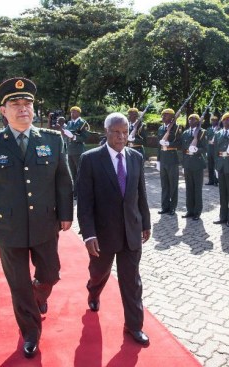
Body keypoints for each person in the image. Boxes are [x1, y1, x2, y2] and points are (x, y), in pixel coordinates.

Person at [0, 77, 73, 358]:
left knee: (50, 273)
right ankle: (30, 332)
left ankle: (40, 294)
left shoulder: (52, 139)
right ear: (3, 110)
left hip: (45, 222)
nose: (23, 108)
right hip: (9, 226)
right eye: (15, 104)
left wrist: (66, 214)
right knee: (18, 284)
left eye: (27, 103)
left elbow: (64, 181)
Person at [77, 112, 151, 346]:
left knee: (132, 281)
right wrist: (88, 234)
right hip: (102, 233)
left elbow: (141, 194)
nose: (121, 137)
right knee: (100, 272)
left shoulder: (136, 157)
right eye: (116, 132)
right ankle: (93, 291)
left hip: (131, 231)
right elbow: (85, 201)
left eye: (125, 132)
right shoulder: (90, 159)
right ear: (106, 132)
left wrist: (146, 223)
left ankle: (133, 326)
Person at [180, 114, 207, 220]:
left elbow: (205, 148)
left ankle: (197, 211)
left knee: (197, 189)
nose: (191, 120)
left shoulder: (202, 132)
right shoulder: (186, 133)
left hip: (197, 164)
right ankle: (189, 210)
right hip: (187, 163)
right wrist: (183, 164)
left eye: (194, 119)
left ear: (198, 121)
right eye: (189, 119)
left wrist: (197, 150)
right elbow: (183, 149)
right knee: (189, 188)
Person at [157, 108, 182, 215]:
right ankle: (164, 206)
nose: (163, 117)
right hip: (163, 158)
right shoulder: (161, 128)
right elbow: (159, 146)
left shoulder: (177, 129)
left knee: (173, 185)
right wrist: (158, 160)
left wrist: (169, 144)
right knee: (164, 185)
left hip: (172, 159)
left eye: (166, 115)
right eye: (163, 115)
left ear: (172, 118)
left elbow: (180, 144)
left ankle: (172, 207)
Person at [64, 106, 90, 197]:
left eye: (74, 112)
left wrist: (74, 137)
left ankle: (81, 192)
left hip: (78, 150)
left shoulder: (83, 123)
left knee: (80, 173)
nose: (72, 114)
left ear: (79, 113)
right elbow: (66, 136)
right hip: (70, 151)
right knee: (72, 173)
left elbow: (86, 137)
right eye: (71, 112)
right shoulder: (70, 123)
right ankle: (75, 192)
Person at [205, 115, 220, 186]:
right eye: (212, 120)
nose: (213, 122)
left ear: (217, 121)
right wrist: (209, 141)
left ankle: (216, 180)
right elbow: (205, 139)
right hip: (209, 149)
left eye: (215, 121)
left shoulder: (220, 129)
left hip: (216, 149)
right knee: (210, 166)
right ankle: (210, 180)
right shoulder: (208, 129)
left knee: (216, 166)